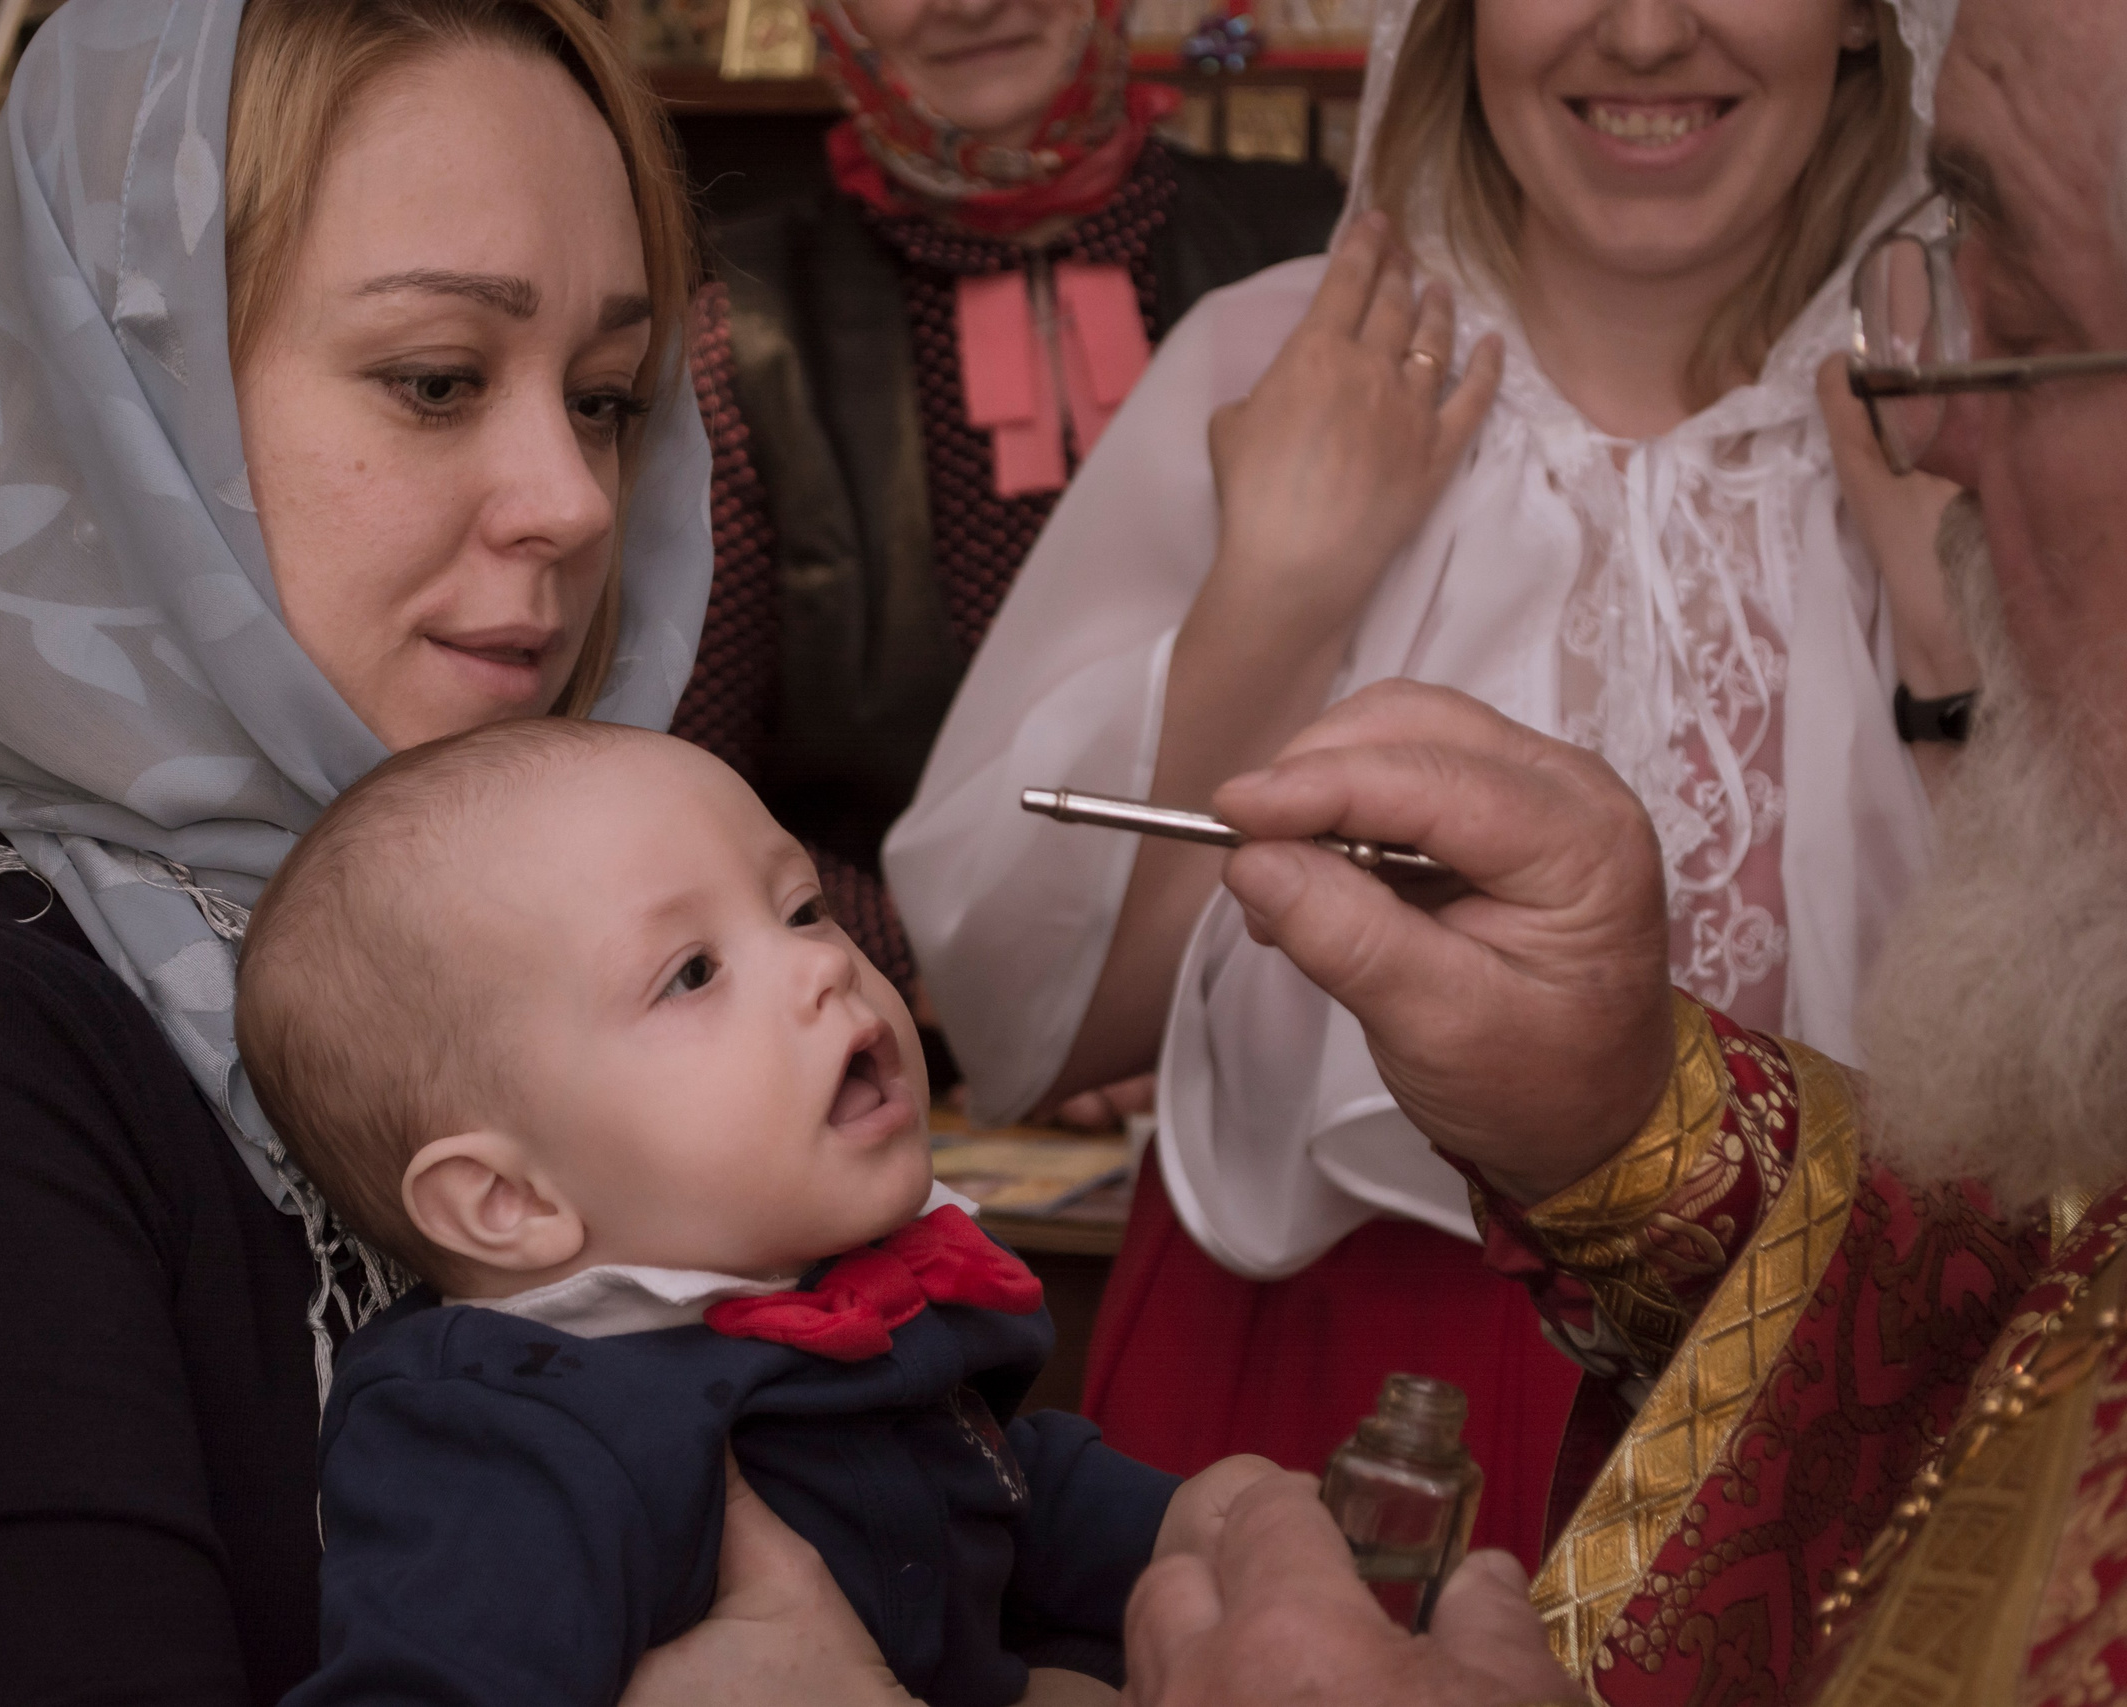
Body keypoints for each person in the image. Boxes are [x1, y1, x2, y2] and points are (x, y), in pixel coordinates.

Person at [0, 0, 942, 1700]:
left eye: (606, 398)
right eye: (438, 380)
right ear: (123, 411)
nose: (573, 497)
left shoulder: (615, 966)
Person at [1117, 0, 2127, 1697]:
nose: (1646, 31)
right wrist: (1624, 1117)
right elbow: (2048, 1293)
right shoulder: (1302, 364)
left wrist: (1953, 661)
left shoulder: (1884, 449)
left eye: (2011, 327)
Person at [884, 0, 1967, 1556]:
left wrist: (1948, 630)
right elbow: (1029, 1032)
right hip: (1331, 1381)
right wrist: (1276, 591)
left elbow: (2061, 1077)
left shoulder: (1987, 395)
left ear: (1868, 17)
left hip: (1847, 1398)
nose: (1643, 35)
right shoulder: (1281, 360)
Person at [236, 720, 1274, 1707]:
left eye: (802, 909)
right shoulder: (504, 1448)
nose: (826, 962)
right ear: (511, 1200)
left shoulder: (844, 1285)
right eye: (692, 973)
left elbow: (985, 1499)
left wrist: (1174, 1527)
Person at [667, 0, 1341, 1033]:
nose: (970, 3)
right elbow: (692, 777)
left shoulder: (1321, 256)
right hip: (908, 1035)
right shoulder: (738, 327)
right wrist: (941, 976)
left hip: (1308, 990)